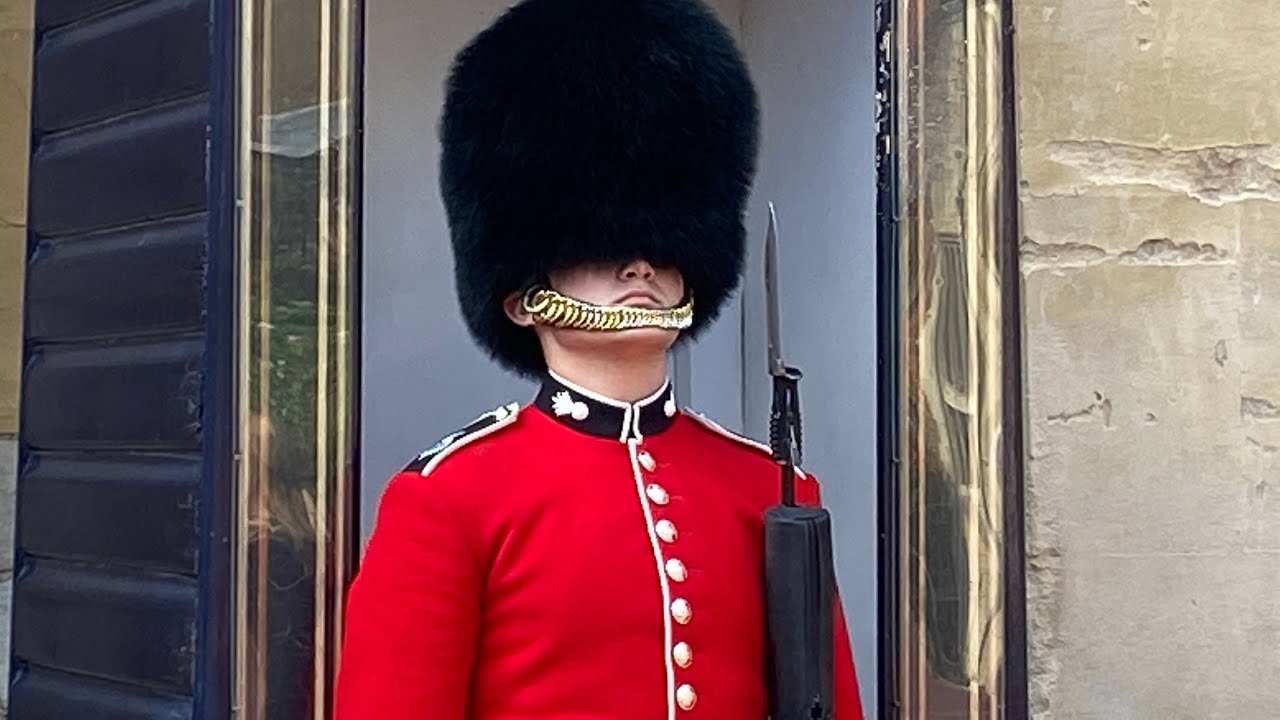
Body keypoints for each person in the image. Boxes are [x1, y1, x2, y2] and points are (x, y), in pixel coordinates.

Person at [333, 0, 865, 717]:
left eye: (662, 246)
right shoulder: (450, 502)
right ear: (524, 295)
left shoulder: (766, 489)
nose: (640, 264)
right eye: (600, 246)